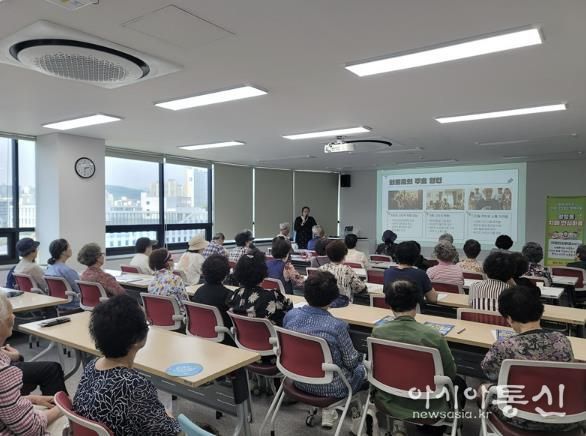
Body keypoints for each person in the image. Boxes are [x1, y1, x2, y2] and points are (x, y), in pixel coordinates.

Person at [73, 295, 181, 435]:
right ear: (135, 339)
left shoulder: (92, 366)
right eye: (146, 323)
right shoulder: (134, 385)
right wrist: (169, 416)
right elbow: (169, 432)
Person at [481, 286, 575, 433]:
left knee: (482, 389)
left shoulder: (504, 346)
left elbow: (489, 372)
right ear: (540, 310)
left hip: (519, 417)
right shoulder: (562, 340)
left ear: (509, 318)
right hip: (564, 416)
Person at [372, 280, 459, 436]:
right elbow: (450, 373)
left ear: (388, 304)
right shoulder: (433, 336)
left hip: (388, 400)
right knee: (460, 385)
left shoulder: (378, 332)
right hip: (428, 406)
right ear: (417, 302)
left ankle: (399, 425)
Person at [283, 271, 366, 429]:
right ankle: (359, 422)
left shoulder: (290, 316)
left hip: (298, 380)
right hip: (332, 387)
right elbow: (352, 362)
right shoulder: (337, 326)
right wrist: (362, 359)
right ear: (333, 298)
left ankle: (329, 412)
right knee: (362, 369)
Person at [0, 292, 66, 435]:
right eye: (10, 314)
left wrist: (32, 399)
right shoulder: (3, 373)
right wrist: (62, 408)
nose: (13, 316)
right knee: (66, 422)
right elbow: (31, 429)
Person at [228, 250, 292, 326]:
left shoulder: (234, 295)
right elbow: (289, 306)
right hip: (270, 333)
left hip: (243, 333)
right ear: (263, 272)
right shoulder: (272, 296)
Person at [191, 254, 234, 344]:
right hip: (224, 339)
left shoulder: (198, 292)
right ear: (225, 274)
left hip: (200, 336)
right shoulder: (229, 295)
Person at [383, 241, 439, 307]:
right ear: (417, 257)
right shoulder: (420, 274)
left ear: (396, 256)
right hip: (414, 312)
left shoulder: (387, 272)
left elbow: (386, 293)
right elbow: (433, 299)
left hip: (393, 310)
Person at [318, 240, 367, 306]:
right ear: (344, 255)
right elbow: (359, 288)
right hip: (344, 306)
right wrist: (364, 284)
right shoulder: (346, 269)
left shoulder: (321, 269)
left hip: (325, 304)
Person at [148, 248, 189, 315]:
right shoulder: (176, 279)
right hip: (177, 317)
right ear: (167, 263)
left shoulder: (151, 281)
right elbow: (185, 303)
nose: (173, 262)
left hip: (158, 316)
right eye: (172, 260)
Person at [46, 238, 81, 311]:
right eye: (69, 247)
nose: (71, 249)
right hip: (73, 305)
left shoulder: (49, 268)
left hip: (58, 305)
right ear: (63, 252)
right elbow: (80, 290)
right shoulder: (67, 271)